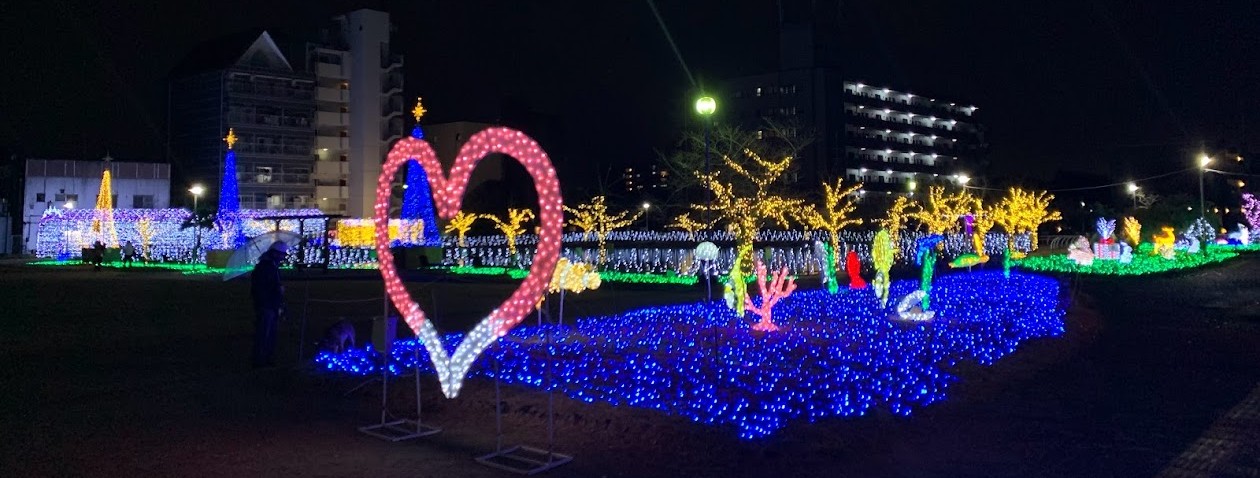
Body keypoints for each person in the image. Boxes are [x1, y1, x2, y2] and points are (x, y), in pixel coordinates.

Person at [250, 242, 288, 368]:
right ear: (275, 253)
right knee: (264, 333)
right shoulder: (265, 268)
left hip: (270, 304)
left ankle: (266, 357)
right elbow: (261, 287)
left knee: (270, 333)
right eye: (281, 254)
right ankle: (260, 360)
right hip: (267, 305)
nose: (283, 257)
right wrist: (277, 289)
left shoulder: (271, 266)